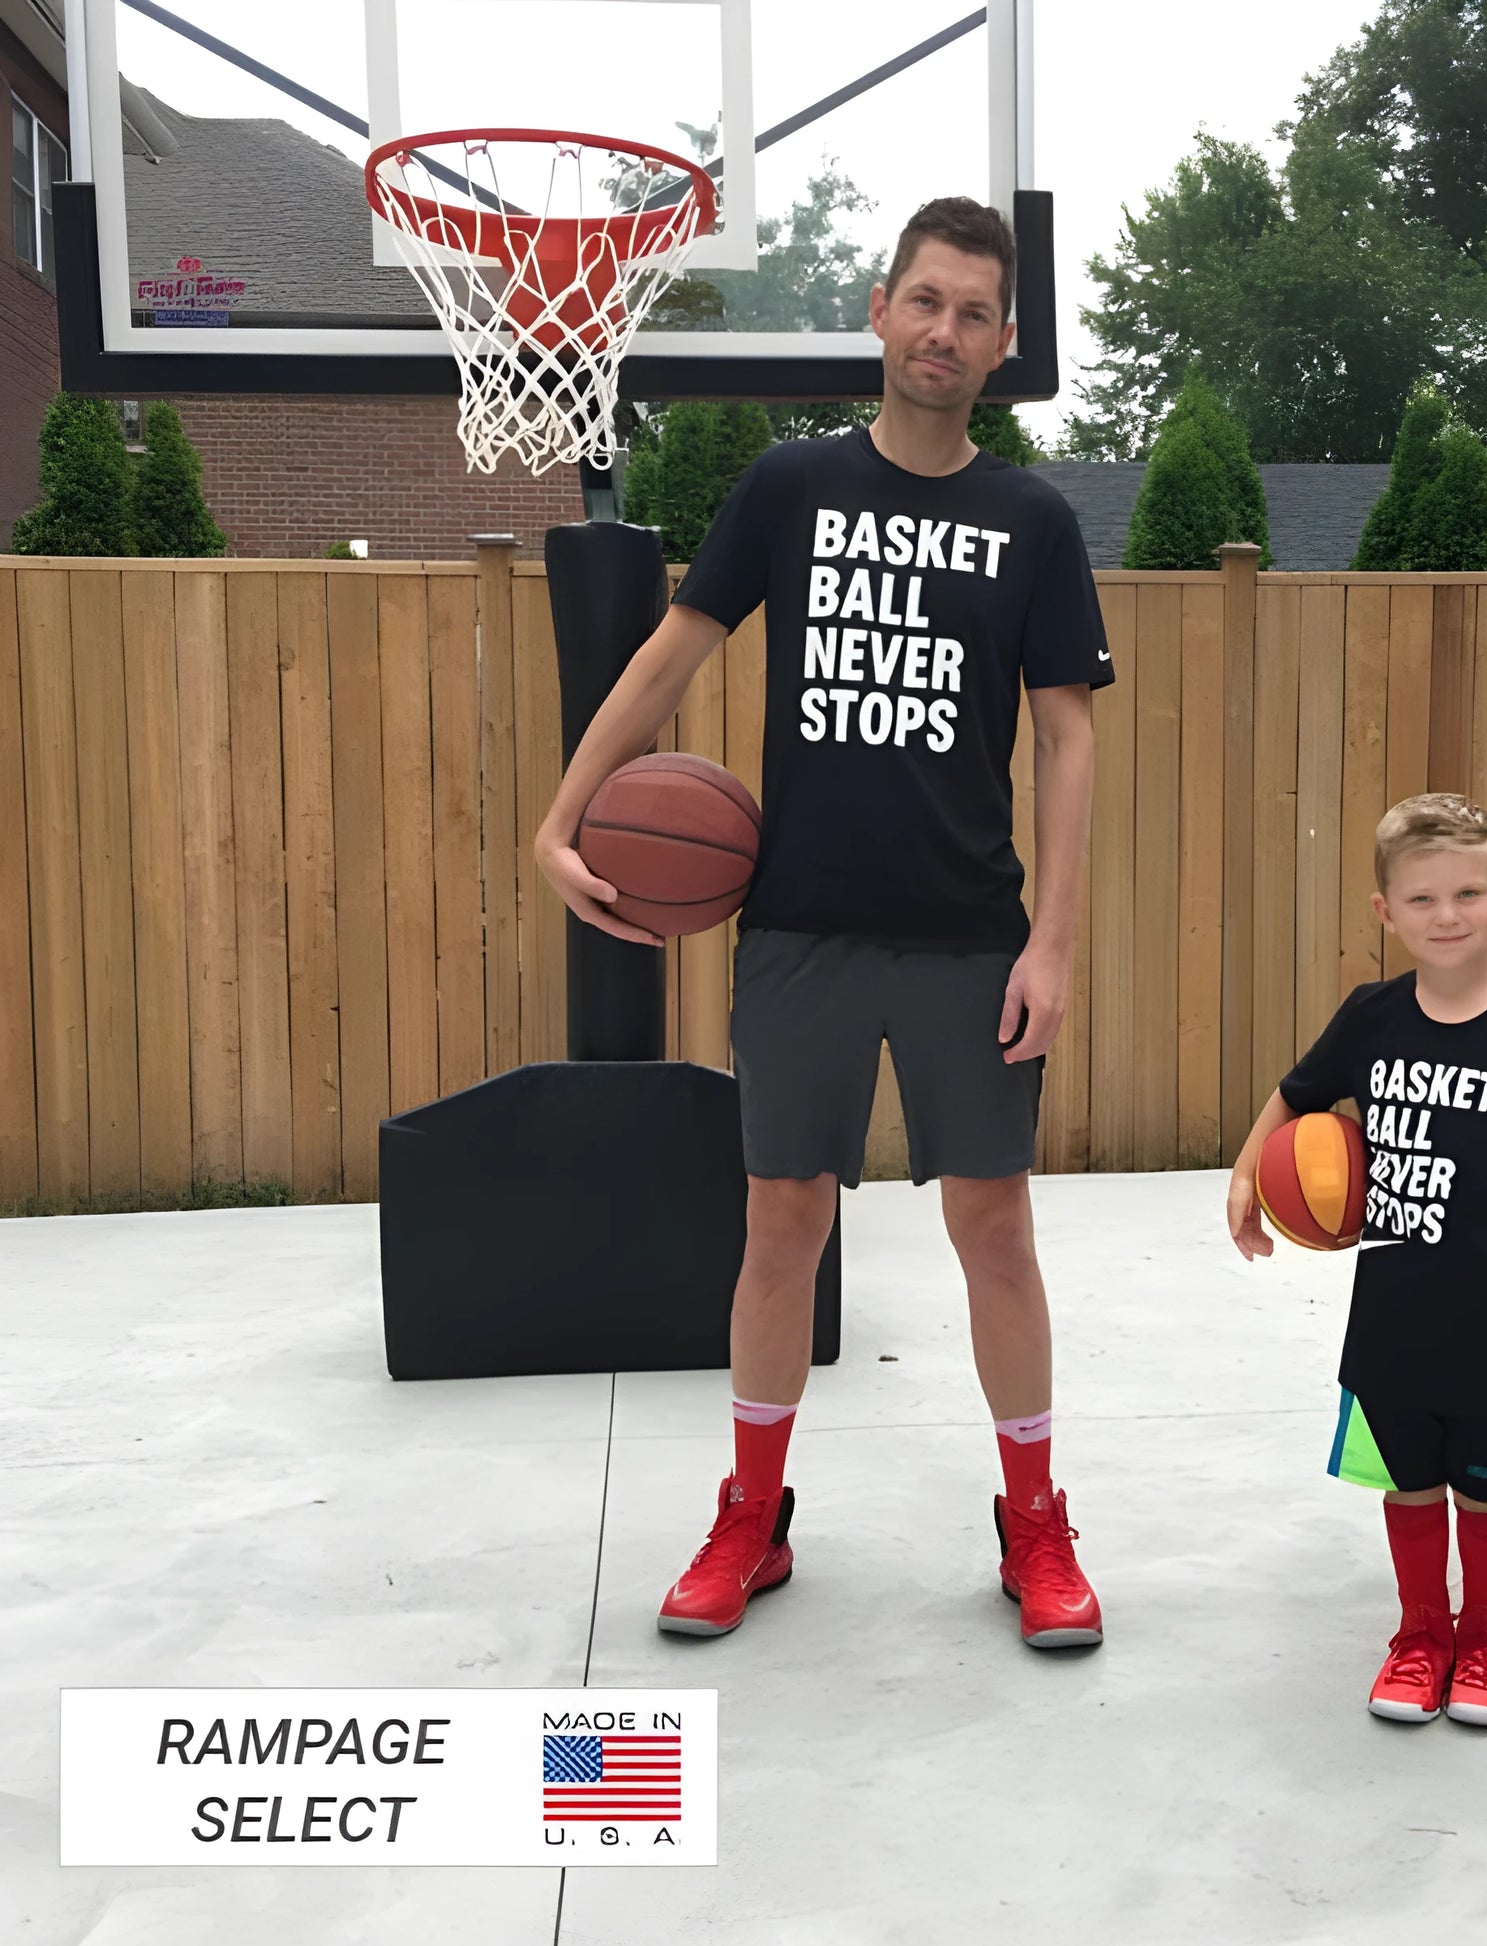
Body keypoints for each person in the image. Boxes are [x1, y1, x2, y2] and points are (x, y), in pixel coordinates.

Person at [534, 197, 1112, 1650]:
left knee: (994, 1224)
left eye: (974, 312)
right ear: (878, 309)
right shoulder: (790, 487)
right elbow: (671, 657)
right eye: (925, 299)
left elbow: (1067, 740)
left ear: (1003, 343)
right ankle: (752, 1512)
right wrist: (562, 812)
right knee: (780, 1222)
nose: (944, 330)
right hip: (796, 926)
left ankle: (1033, 1522)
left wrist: (1052, 941)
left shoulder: (1030, 519)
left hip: (969, 933)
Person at [1225, 794, 1487, 1725]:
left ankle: (1486, 1643)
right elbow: (1296, 1094)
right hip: (1394, 1310)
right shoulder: (1372, 1018)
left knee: (1484, 1490)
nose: (1448, 916)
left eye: (1469, 893)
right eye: (1425, 899)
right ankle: (1419, 1635)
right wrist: (1247, 1173)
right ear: (1384, 911)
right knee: (1409, 1479)